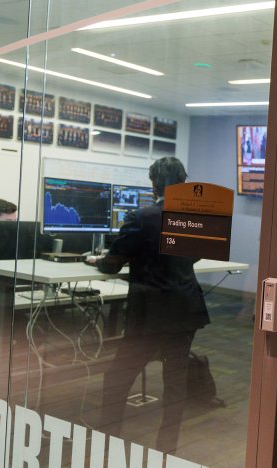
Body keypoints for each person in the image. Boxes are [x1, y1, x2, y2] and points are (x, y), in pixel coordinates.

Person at [88, 156, 209, 454]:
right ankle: (168, 449)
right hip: (185, 310)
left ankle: (108, 443)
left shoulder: (141, 217)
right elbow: (193, 256)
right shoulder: (195, 217)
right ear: (184, 182)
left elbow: (113, 265)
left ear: (153, 182)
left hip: (150, 314)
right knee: (175, 382)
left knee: (118, 377)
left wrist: (95, 260)